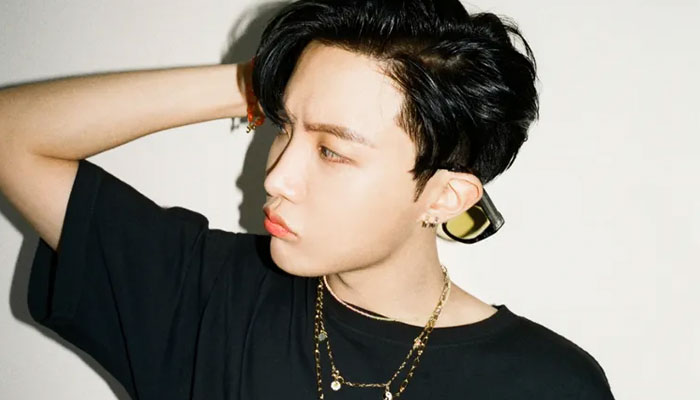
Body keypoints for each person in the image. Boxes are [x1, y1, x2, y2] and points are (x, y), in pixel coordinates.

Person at [0, 0, 615, 399]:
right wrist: (256, 81)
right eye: (283, 127)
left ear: (443, 195)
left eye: (332, 151)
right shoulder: (209, 294)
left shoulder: (547, 384)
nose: (276, 177)